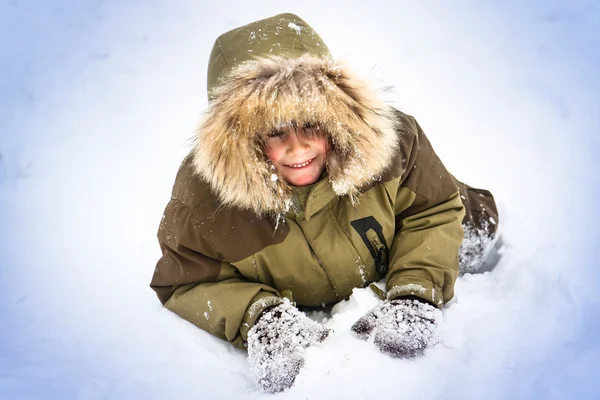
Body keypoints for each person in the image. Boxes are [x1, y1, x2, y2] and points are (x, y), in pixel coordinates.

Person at [150, 13, 500, 393]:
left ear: (336, 117)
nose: (297, 147)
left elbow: (433, 210)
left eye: (311, 125)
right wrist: (261, 318)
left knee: (473, 230)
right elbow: (185, 281)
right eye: (275, 132)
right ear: (239, 139)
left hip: (457, 220)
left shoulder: (393, 143)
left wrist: (416, 291)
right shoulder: (204, 201)